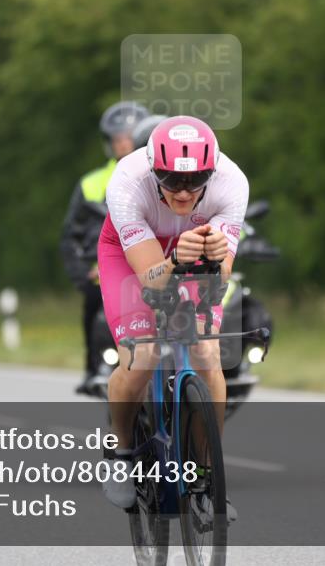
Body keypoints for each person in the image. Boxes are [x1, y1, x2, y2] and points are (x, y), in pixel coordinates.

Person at [98, 115, 247, 520]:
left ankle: (206, 478)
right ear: (153, 170)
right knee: (140, 357)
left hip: (191, 249)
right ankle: (121, 451)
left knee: (207, 354)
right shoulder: (127, 182)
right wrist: (175, 256)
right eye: (171, 180)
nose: (183, 191)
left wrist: (217, 257)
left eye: (195, 181)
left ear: (211, 173)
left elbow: (222, 277)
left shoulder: (232, 183)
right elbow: (151, 279)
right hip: (131, 256)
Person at [60, 101, 150, 395]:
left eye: (130, 137)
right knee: (95, 306)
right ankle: (97, 366)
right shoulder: (91, 184)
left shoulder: (163, 175)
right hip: (105, 270)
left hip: (152, 264)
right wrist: (83, 275)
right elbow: (70, 235)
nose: (124, 144)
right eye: (118, 138)